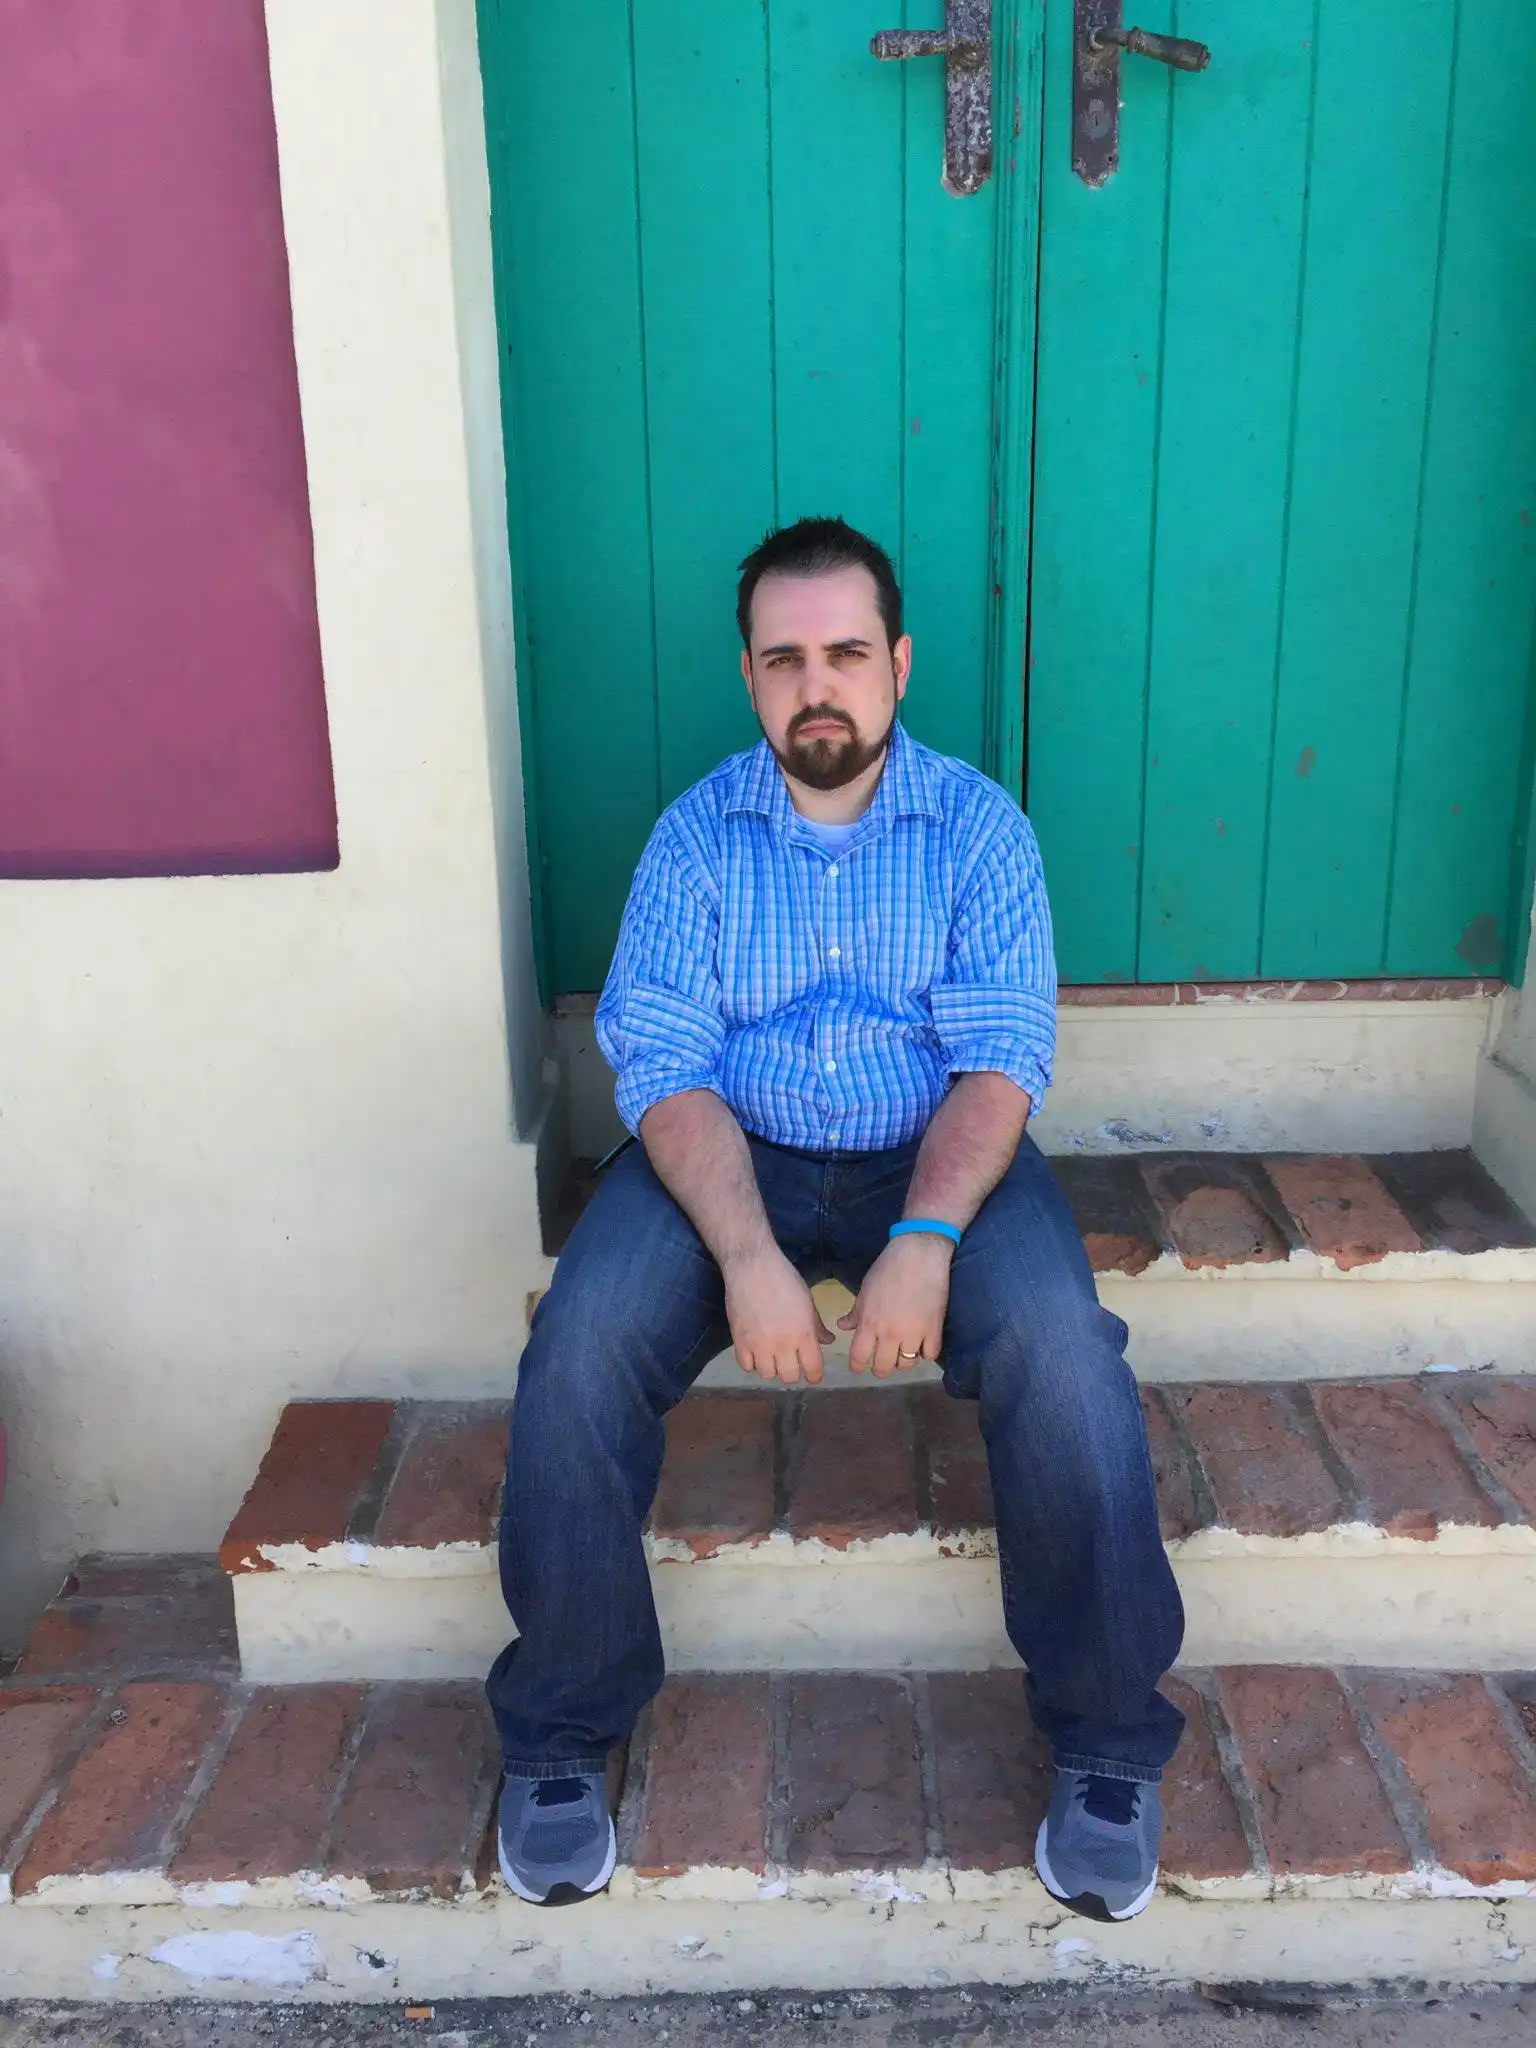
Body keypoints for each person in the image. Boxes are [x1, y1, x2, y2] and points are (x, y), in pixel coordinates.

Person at [487, 517, 1185, 1921]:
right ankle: (560, 1730)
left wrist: (925, 1241)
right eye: (786, 658)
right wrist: (746, 1254)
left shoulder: (980, 830)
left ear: (899, 665)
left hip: (931, 1152)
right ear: (748, 675)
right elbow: (664, 1063)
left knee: (1064, 1355)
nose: (820, 686)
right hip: (728, 1153)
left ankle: (1109, 1742)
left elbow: (1001, 1061)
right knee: (577, 1349)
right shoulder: (693, 840)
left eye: (848, 653)